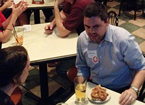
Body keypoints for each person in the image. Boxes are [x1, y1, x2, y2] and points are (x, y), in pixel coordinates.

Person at [76, 2, 145, 105]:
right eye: (87, 27)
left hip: (120, 91)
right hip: (95, 88)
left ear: (107, 22)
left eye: (96, 26)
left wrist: (133, 90)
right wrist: (81, 85)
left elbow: (141, 68)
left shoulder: (123, 39)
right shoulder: (82, 39)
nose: (91, 32)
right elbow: (82, 67)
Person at [44, 0, 94, 80]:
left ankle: (85, 84)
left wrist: (56, 6)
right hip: (81, 37)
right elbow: (64, 14)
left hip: (92, 46)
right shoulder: (70, 1)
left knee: (61, 69)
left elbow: (63, 32)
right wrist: (52, 24)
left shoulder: (79, 5)